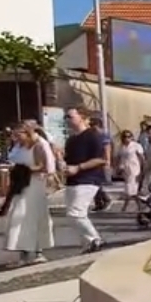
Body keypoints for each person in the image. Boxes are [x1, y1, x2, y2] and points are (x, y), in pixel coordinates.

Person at [0, 125, 54, 266]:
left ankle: (37, 251)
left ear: (27, 133)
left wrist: (25, 169)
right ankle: (24, 253)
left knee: (31, 216)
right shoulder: (19, 147)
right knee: (19, 217)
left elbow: (44, 166)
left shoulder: (37, 146)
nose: (17, 138)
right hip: (21, 185)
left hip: (34, 185)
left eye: (19, 135)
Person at [62, 108, 107, 253]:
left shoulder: (93, 135)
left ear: (82, 117)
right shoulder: (71, 139)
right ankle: (87, 245)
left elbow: (102, 159)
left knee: (75, 213)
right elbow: (68, 160)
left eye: (70, 116)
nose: (67, 119)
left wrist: (79, 167)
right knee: (73, 215)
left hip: (89, 179)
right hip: (72, 180)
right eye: (66, 117)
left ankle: (95, 239)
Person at [116, 130, 145, 213]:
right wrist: (118, 168)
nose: (127, 138)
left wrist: (142, 170)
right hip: (126, 170)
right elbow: (119, 158)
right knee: (131, 190)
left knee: (130, 190)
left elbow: (142, 158)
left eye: (129, 136)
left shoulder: (136, 146)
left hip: (134, 169)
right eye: (125, 136)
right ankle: (140, 206)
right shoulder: (121, 147)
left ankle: (124, 207)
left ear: (132, 137)